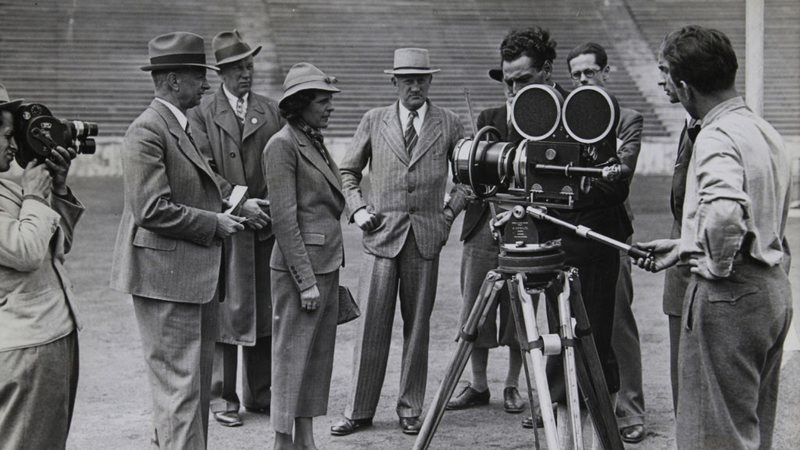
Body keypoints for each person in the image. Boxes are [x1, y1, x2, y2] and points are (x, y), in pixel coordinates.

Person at [635, 25, 792, 450]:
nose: (663, 83)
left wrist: (714, 265)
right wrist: (686, 246)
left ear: (686, 87)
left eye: (667, 74)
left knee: (714, 437)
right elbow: (757, 217)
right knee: (749, 431)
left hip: (730, 297)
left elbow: (725, 212)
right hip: (771, 289)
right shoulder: (761, 129)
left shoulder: (715, 135)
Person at [110, 32, 267, 449]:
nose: (208, 85)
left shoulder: (178, 125)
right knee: (181, 391)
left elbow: (203, 183)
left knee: (190, 390)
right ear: (174, 80)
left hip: (189, 277)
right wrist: (216, 224)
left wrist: (239, 206)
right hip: (165, 280)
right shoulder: (146, 131)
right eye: (200, 76)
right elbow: (151, 209)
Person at [331, 47, 468, 436]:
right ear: (393, 82)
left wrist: (447, 215)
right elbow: (347, 171)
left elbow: (469, 176)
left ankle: (411, 407)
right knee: (371, 325)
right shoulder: (374, 120)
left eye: (421, 78)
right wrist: (357, 210)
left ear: (430, 81)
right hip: (380, 238)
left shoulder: (449, 122)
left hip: (425, 238)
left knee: (417, 327)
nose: (415, 86)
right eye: (407, 79)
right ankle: (358, 410)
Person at [446, 27, 565, 417]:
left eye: (522, 81)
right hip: (486, 222)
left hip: (530, 225)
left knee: (522, 307)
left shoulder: (561, 117)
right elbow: (471, 177)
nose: (513, 91)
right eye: (507, 83)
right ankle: (478, 383)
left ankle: (513, 384)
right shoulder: (491, 117)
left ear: (547, 72)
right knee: (475, 304)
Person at [188, 29, 280, 427]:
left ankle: (261, 394)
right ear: (221, 72)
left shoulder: (270, 109)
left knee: (264, 307)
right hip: (227, 224)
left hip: (265, 224)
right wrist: (242, 203)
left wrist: (269, 207)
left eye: (249, 65)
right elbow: (205, 169)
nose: (246, 73)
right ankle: (221, 398)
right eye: (237, 68)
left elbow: (281, 161)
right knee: (225, 310)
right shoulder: (202, 114)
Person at [566, 42, 646, 443]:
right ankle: (576, 403)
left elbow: (622, 170)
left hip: (612, 234)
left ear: (606, 72)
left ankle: (630, 408)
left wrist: (584, 181)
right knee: (576, 322)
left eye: (590, 72)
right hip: (573, 232)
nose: (583, 80)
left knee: (616, 319)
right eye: (576, 74)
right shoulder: (566, 117)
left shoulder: (627, 117)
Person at [263, 62, 343, 450]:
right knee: (290, 356)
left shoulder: (312, 140)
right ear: (301, 104)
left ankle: (306, 438)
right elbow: (283, 219)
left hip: (326, 263)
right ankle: (282, 440)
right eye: (323, 101)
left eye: (330, 101)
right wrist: (305, 280)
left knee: (315, 357)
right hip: (302, 272)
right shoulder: (281, 145)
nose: (330, 108)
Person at [0, 84, 83, 450]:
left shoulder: (6, 184)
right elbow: (25, 251)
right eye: (6, 135)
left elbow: (56, 247)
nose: (15, 145)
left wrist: (58, 191)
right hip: (25, 344)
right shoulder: (17, 188)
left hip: (51, 333)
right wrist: (34, 195)